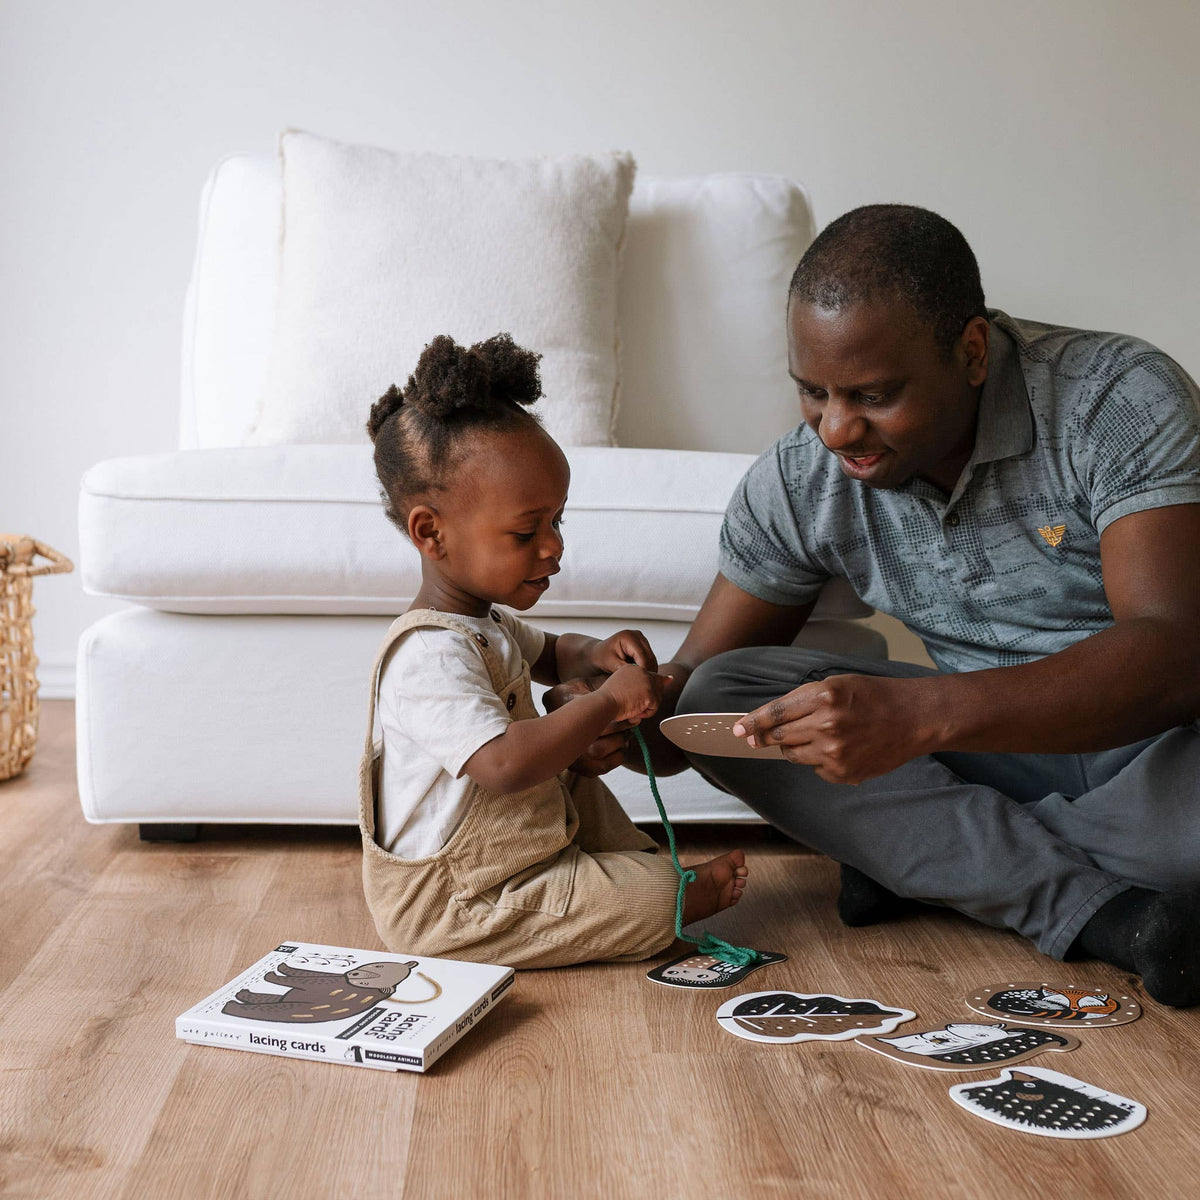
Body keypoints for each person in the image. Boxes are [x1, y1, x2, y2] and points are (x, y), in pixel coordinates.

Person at [553, 205, 1200, 1006]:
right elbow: (697, 697)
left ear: (970, 352)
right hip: (986, 755)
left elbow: (1173, 654)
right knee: (728, 690)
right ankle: (1096, 911)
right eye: (811, 392)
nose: (835, 428)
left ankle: (932, 861)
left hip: (1155, 747)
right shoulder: (801, 480)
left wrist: (919, 717)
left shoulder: (1116, 398)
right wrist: (618, 718)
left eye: (873, 394)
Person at [357, 332, 747, 968]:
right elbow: (507, 765)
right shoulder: (429, 657)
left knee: (583, 773)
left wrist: (599, 655)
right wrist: (604, 705)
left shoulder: (486, 622)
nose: (553, 547)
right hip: (457, 899)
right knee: (650, 899)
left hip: (517, 846)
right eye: (525, 531)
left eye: (557, 521)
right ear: (432, 532)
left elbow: (557, 653)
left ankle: (621, 871)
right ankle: (661, 899)